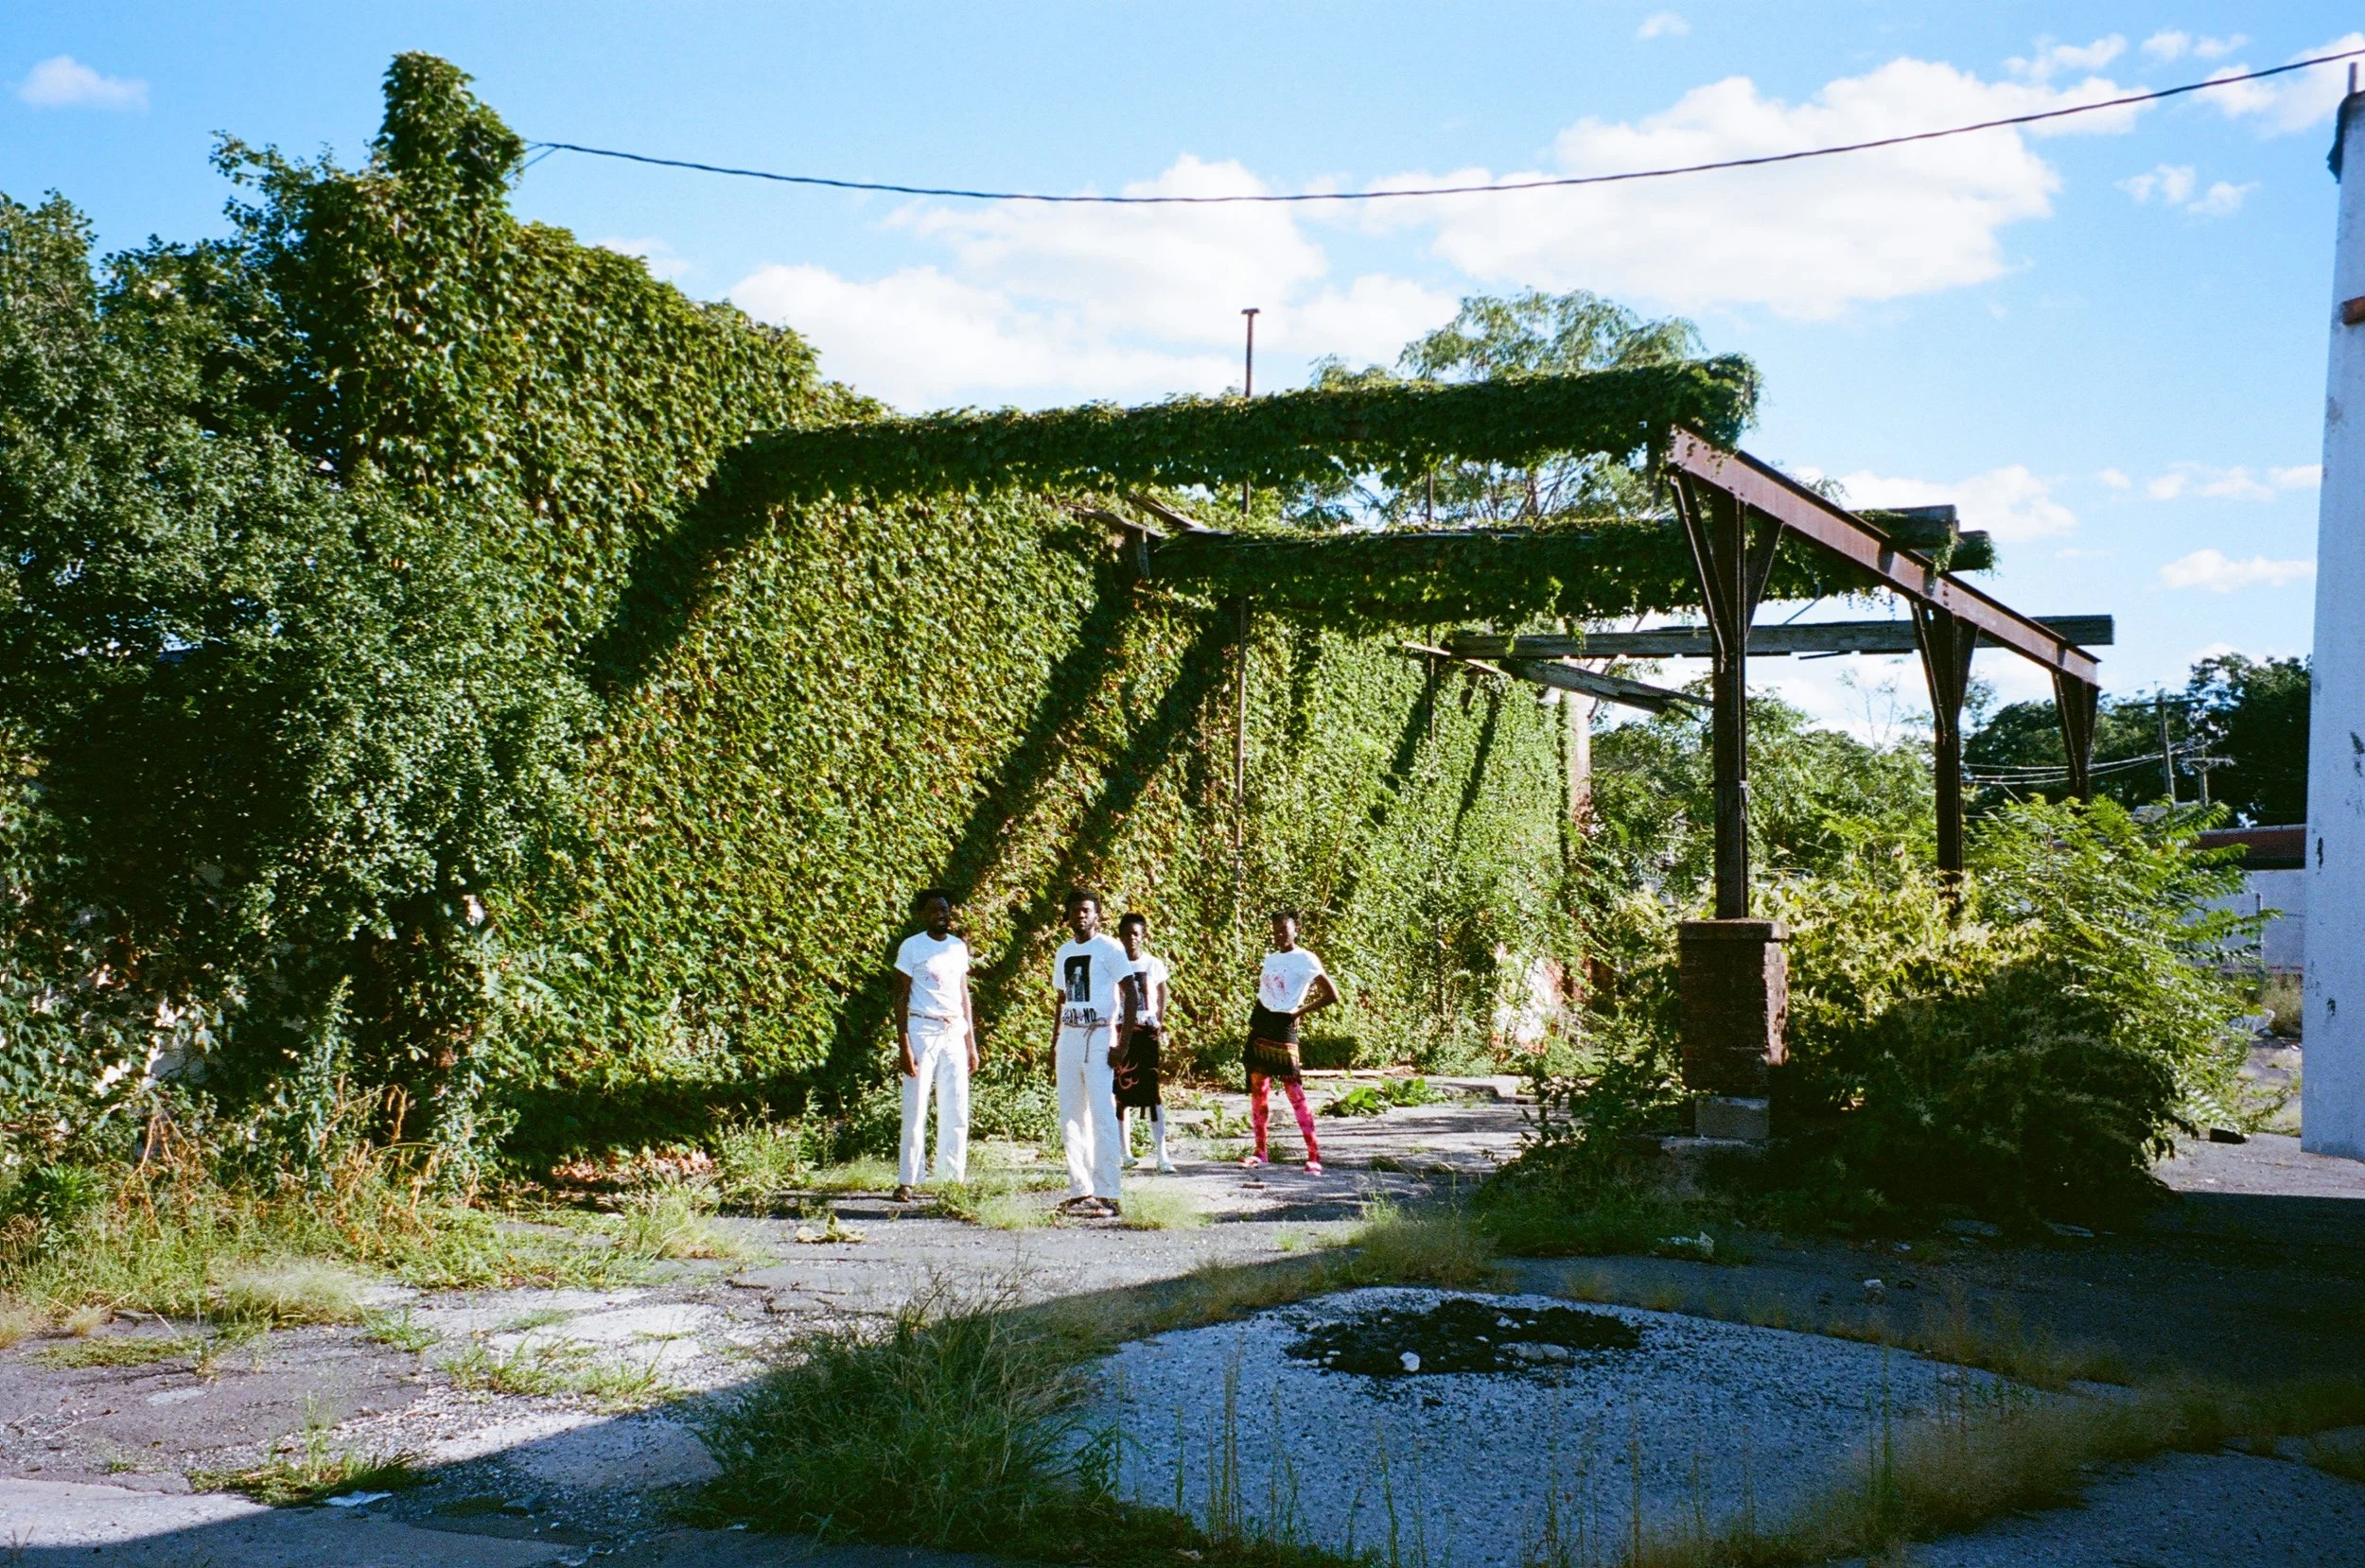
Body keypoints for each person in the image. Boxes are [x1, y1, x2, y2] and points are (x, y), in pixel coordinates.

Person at [1051, 889, 1133, 1217]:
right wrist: (1053, 1042)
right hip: (1070, 1038)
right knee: (1071, 1117)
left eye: (1086, 910)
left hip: (1100, 1037)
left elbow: (1131, 992)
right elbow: (1062, 1000)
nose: (1080, 915)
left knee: (1102, 1115)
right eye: (1075, 910)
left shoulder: (1110, 948)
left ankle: (1109, 1192)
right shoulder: (1063, 952)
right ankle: (1080, 1190)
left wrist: (1122, 1045)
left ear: (1097, 915)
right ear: (1068, 916)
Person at [892, 888, 976, 1202]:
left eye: (945, 909)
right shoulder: (911, 947)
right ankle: (908, 1180)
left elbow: (963, 995)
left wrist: (971, 1044)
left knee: (956, 1109)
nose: (942, 915)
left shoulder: (957, 948)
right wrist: (904, 1045)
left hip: (954, 1031)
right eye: (935, 910)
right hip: (921, 1030)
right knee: (915, 1107)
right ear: (923, 915)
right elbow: (901, 997)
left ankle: (952, 1180)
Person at [1241, 909, 1337, 1175]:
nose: (1280, 935)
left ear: (1296, 930)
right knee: (1258, 1089)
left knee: (1294, 1091)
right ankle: (1261, 1151)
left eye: (1285, 930)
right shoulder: (1270, 959)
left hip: (1284, 1024)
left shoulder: (1306, 959)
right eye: (1276, 930)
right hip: (1262, 1022)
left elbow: (1331, 995)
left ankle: (1314, 1155)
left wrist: (1298, 1012)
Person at [1112, 911, 1175, 1174]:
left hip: (1146, 1031)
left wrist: (1157, 1023)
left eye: (1136, 934)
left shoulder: (1153, 964)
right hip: (1120, 1030)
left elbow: (1162, 995)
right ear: (1120, 937)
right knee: (1121, 1093)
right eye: (1126, 934)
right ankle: (1124, 1153)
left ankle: (1162, 1155)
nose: (1131, 939)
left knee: (1151, 1093)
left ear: (1144, 936)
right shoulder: (1114, 964)